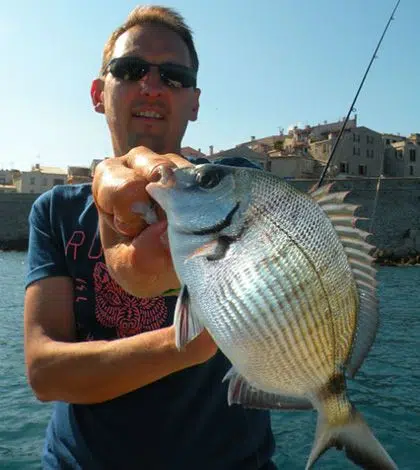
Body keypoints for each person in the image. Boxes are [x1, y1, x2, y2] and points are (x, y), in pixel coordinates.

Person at [24, 5, 276, 469]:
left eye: (174, 76)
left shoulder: (238, 189)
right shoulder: (55, 212)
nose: (153, 85)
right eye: (131, 69)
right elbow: (45, 372)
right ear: (100, 93)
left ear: (195, 103)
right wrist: (189, 345)